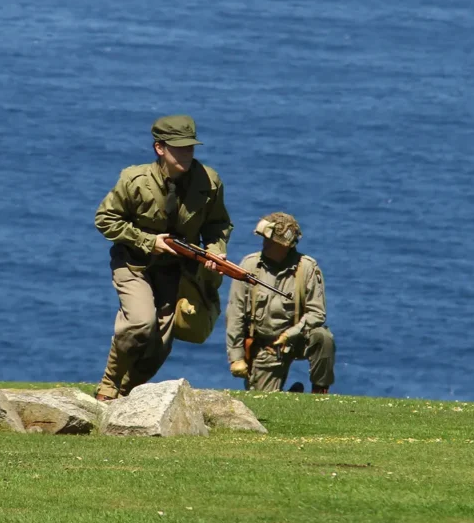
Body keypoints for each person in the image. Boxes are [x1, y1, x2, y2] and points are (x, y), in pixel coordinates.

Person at [93, 115, 233, 401]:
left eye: (190, 147)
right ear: (160, 148)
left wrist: (216, 250)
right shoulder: (134, 180)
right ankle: (108, 387)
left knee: (161, 343)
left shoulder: (209, 181)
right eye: (178, 148)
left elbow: (217, 223)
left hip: (177, 270)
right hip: (134, 264)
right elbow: (105, 220)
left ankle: (127, 393)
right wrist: (147, 241)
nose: (186, 154)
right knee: (140, 324)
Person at [225, 213, 334, 393]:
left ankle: (319, 394)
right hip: (267, 346)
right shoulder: (249, 266)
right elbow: (235, 313)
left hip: (298, 338)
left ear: (285, 245)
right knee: (262, 401)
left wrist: (290, 333)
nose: (265, 244)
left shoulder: (307, 268)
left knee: (323, 338)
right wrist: (236, 357)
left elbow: (317, 313)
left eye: (271, 241)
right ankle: (293, 395)